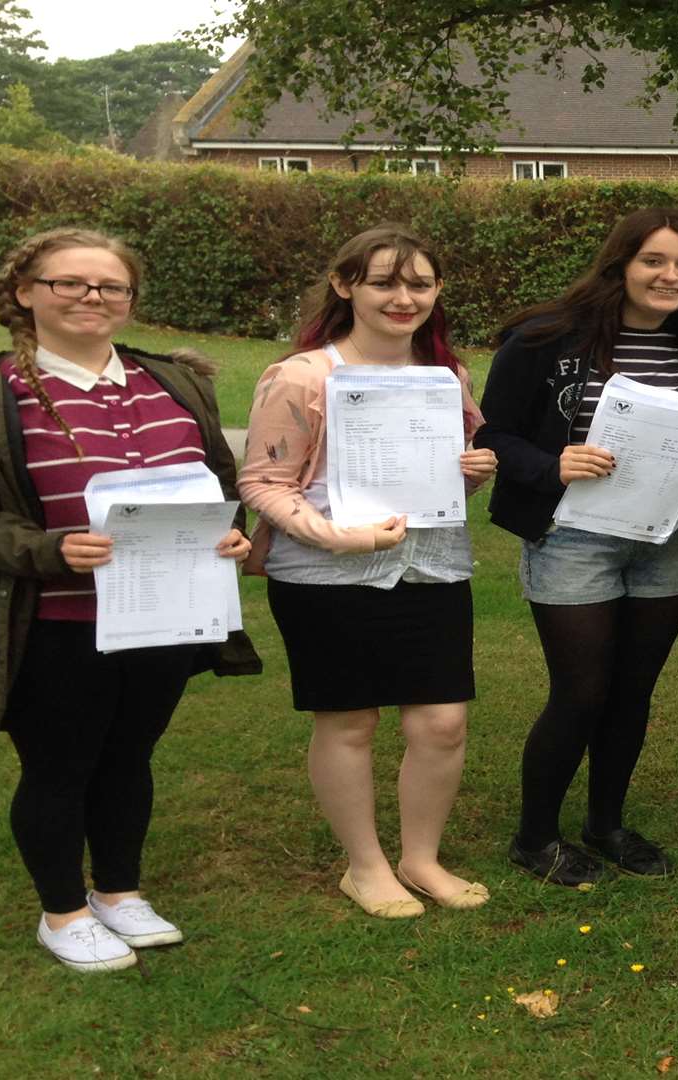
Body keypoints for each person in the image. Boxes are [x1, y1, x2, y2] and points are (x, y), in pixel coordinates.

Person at [0, 227, 259, 971]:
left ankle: (119, 891)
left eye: (109, 286)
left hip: (167, 615)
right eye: (69, 282)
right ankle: (63, 911)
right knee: (59, 766)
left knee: (130, 756)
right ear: (25, 294)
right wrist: (47, 550)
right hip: (54, 620)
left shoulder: (174, 380)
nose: (91, 297)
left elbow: (221, 485)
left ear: (130, 301)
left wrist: (234, 533)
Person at [238, 224, 497, 918]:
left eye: (419, 283)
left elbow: (442, 486)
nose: (403, 297)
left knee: (442, 722)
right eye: (385, 281)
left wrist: (472, 473)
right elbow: (262, 482)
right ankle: (366, 866)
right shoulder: (301, 376)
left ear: (437, 290)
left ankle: (422, 858)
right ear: (346, 285)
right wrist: (335, 536)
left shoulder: (448, 378)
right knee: (350, 722)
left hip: (432, 569)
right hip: (326, 576)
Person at [475, 208, 678, 887]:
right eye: (654, 260)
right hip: (575, 538)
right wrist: (550, 463)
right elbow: (492, 435)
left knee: (632, 691)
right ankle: (535, 837)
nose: (669, 275)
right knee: (581, 691)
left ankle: (606, 824)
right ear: (620, 264)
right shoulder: (545, 338)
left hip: (667, 538)